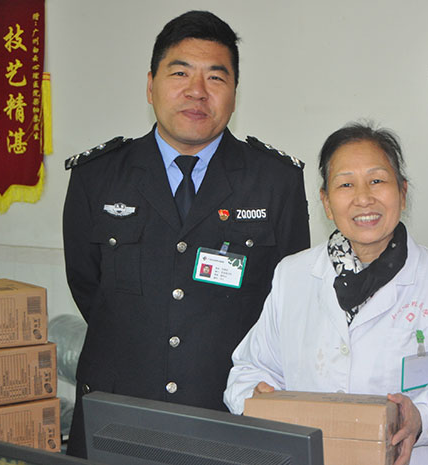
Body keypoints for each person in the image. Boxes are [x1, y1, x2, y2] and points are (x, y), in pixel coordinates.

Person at [62, 10, 310, 457]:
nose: (197, 91)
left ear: (234, 94)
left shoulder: (275, 182)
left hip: (228, 416)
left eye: (216, 77)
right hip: (118, 413)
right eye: (180, 73)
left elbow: (288, 303)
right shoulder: (97, 177)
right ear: (150, 85)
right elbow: (87, 284)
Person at [224, 123, 428, 464]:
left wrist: (422, 416)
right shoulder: (293, 275)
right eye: (346, 184)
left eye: (377, 181)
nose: (363, 198)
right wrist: (255, 397)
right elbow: (250, 368)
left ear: (402, 192)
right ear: (327, 202)